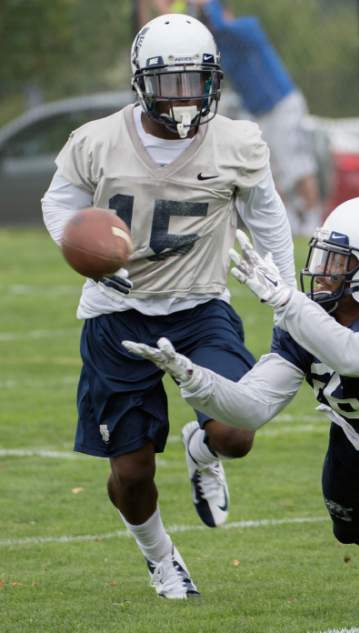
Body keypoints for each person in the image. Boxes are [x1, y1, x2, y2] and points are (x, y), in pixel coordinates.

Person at [41, 13, 296, 600]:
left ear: (214, 82)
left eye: (194, 80)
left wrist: (288, 301)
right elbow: (60, 206)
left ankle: (201, 448)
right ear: (140, 81)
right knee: (130, 471)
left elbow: (268, 218)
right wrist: (88, 250)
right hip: (116, 314)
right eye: (170, 80)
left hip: (200, 306)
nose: (183, 95)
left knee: (237, 432)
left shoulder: (238, 141)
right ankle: (161, 558)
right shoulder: (96, 140)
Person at [124, 195, 359, 608]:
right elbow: (252, 407)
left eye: (340, 261)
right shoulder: (306, 320)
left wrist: (288, 303)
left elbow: (351, 354)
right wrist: (193, 378)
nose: (322, 271)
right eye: (325, 256)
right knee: (351, 528)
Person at [188, 0, 323, 236]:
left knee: (297, 166)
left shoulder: (247, 28)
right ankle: (289, 219)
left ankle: (313, 221)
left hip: (282, 105)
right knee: (268, 169)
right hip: (258, 113)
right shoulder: (219, 45)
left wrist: (206, 4)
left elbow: (218, 23)